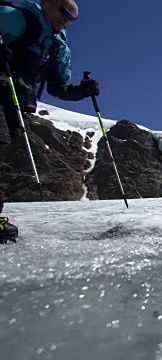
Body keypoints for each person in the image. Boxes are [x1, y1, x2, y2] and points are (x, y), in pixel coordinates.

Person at [0, 0, 100, 243]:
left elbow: (59, 88)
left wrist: (83, 91)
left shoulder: (57, 47)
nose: (66, 20)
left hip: (15, 104)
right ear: (47, 4)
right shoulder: (17, 18)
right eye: (63, 12)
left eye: (72, 18)